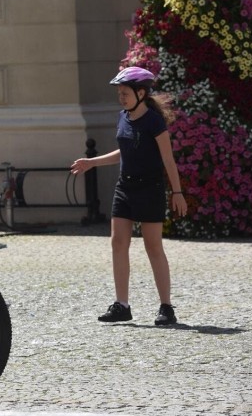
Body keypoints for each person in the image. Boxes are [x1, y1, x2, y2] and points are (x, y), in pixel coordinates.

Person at [71, 67, 187, 326]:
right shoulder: (123, 117)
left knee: (153, 247)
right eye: (120, 93)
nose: (121, 98)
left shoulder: (154, 122)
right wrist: (92, 163)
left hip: (150, 189)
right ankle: (122, 305)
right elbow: (123, 152)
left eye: (125, 93)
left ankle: (166, 307)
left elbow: (168, 160)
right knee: (118, 243)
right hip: (125, 188)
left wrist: (177, 193)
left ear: (141, 93)